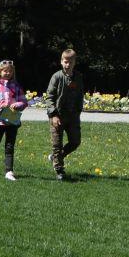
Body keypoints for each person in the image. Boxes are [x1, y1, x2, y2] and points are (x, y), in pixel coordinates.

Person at [0, 60, 28, 181]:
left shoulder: (16, 86)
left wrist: (18, 104)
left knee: (9, 147)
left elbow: (24, 102)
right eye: (5, 71)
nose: (7, 73)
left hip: (13, 121)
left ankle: (9, 171)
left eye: (10, 71)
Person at [45, 49, 85, 181]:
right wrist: (53, 114)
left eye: (70, 62)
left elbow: (80, 94)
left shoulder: (78, 77)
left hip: (73, 116)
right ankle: (59, 170)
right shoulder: (56, 77)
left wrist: (79, 110)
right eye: (65, 61)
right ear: (61, 62)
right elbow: (50, 97)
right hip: (58, 116)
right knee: (57, 144)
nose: (67, 64)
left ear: (75, 62)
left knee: (75, 142)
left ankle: (55, 157)